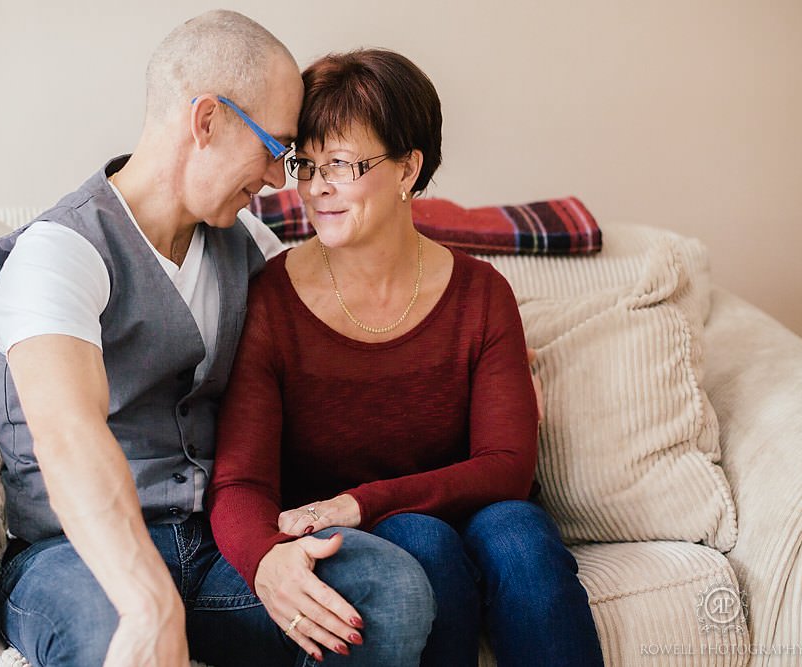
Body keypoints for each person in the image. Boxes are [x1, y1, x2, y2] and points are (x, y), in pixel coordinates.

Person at [0, 12, 435, 667]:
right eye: (275, 148)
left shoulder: (249, 245)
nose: (281, 179)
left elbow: (344, 342)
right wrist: (148, 602)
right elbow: (66, 433)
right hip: (79, 560)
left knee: (387, 586)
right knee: (113, 633)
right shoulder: (60, 252)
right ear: (208, 121)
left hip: (218, 545)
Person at [209, 49, 604, 666]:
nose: (317, 188)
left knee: (522, 538)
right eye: (305, 164)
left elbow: (507, 465)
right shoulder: (270, 299)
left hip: (471, 512)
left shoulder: (480, 293)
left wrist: (362, 499)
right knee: (422, 541)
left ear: (407, 169)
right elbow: (241, 481)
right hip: (367, 543)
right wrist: (274, 558)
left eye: (341, 163)